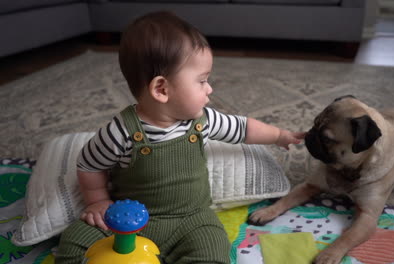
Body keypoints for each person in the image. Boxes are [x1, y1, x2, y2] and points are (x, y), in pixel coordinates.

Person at [55, 11, 305, 264]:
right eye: (202, 81)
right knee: (73, 243)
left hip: (193, 219)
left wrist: (279, 135)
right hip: (130, 218)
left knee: (213, 250)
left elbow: (243, 128)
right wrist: (98, 201)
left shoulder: (203, 121)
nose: (210, 88)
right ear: (162, 89)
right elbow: (88, 163)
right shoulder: (120, 131)